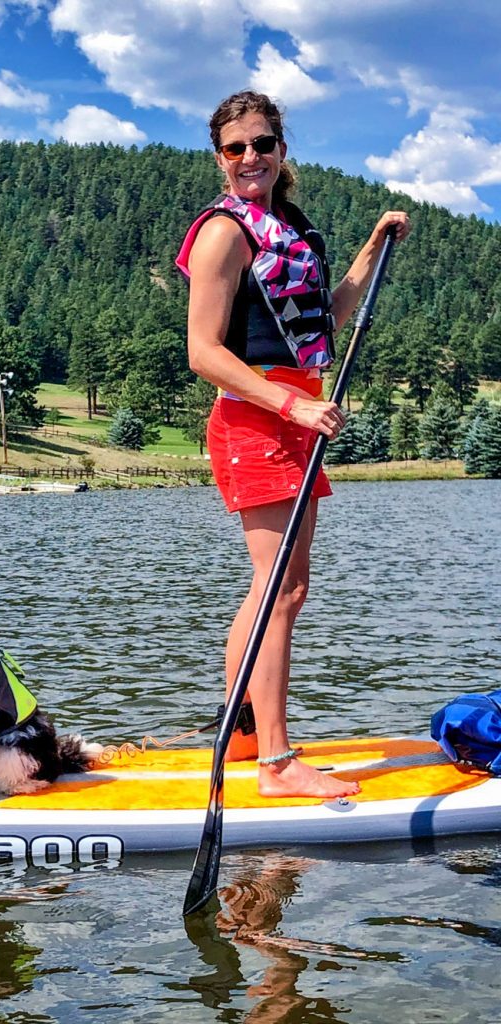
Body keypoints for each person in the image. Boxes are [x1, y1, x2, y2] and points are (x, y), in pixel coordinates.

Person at [177, 90, 410, 799]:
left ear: (283, 150)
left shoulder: (289, 229)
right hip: (256, 417)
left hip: (295, 415)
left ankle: (244, 732)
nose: (250, 158)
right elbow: (202, 352)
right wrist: (289, 403)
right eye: (235, 148)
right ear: (220, 159)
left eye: (262, 145)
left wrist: (372, 248)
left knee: (277, 589)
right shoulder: (225, 232)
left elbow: (328, 317)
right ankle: (277, 764)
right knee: (282, 588)